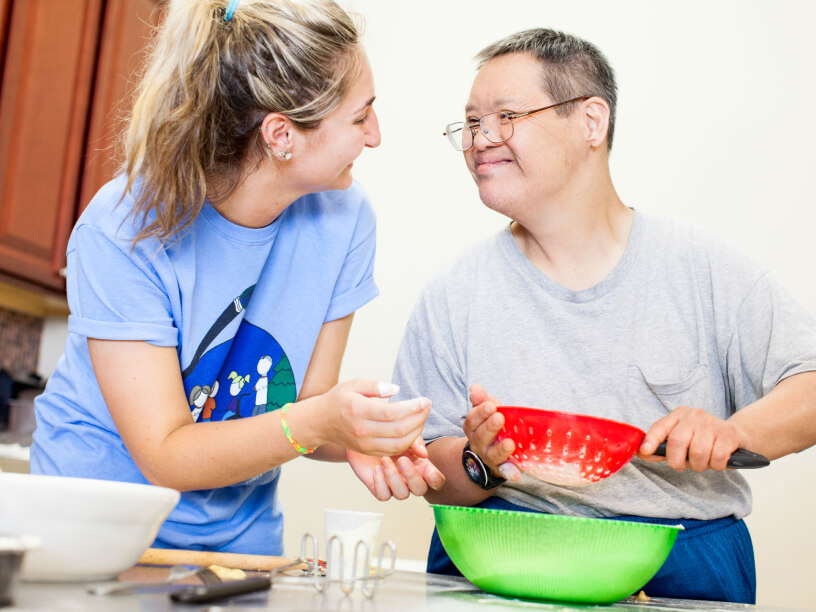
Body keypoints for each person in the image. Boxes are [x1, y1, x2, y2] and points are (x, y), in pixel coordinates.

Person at [391, 28, 816, 603]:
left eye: (506, 116)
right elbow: (429, 472)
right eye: (471, 123)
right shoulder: (452, 293)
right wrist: (478, 461)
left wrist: (735, 430)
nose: (480, 139)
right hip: (502, 554)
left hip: (679, 557)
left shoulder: (701, 269)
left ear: (592, 121)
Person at [30, 0, 443, 556]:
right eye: (359, 115)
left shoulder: (344, 217)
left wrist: (355, 434)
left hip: (238, 546)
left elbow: (303, 406)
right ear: (281, 135)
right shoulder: (125, 226)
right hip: (95, 536)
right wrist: (319, 421)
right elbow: (166, 453)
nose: (375, 135)